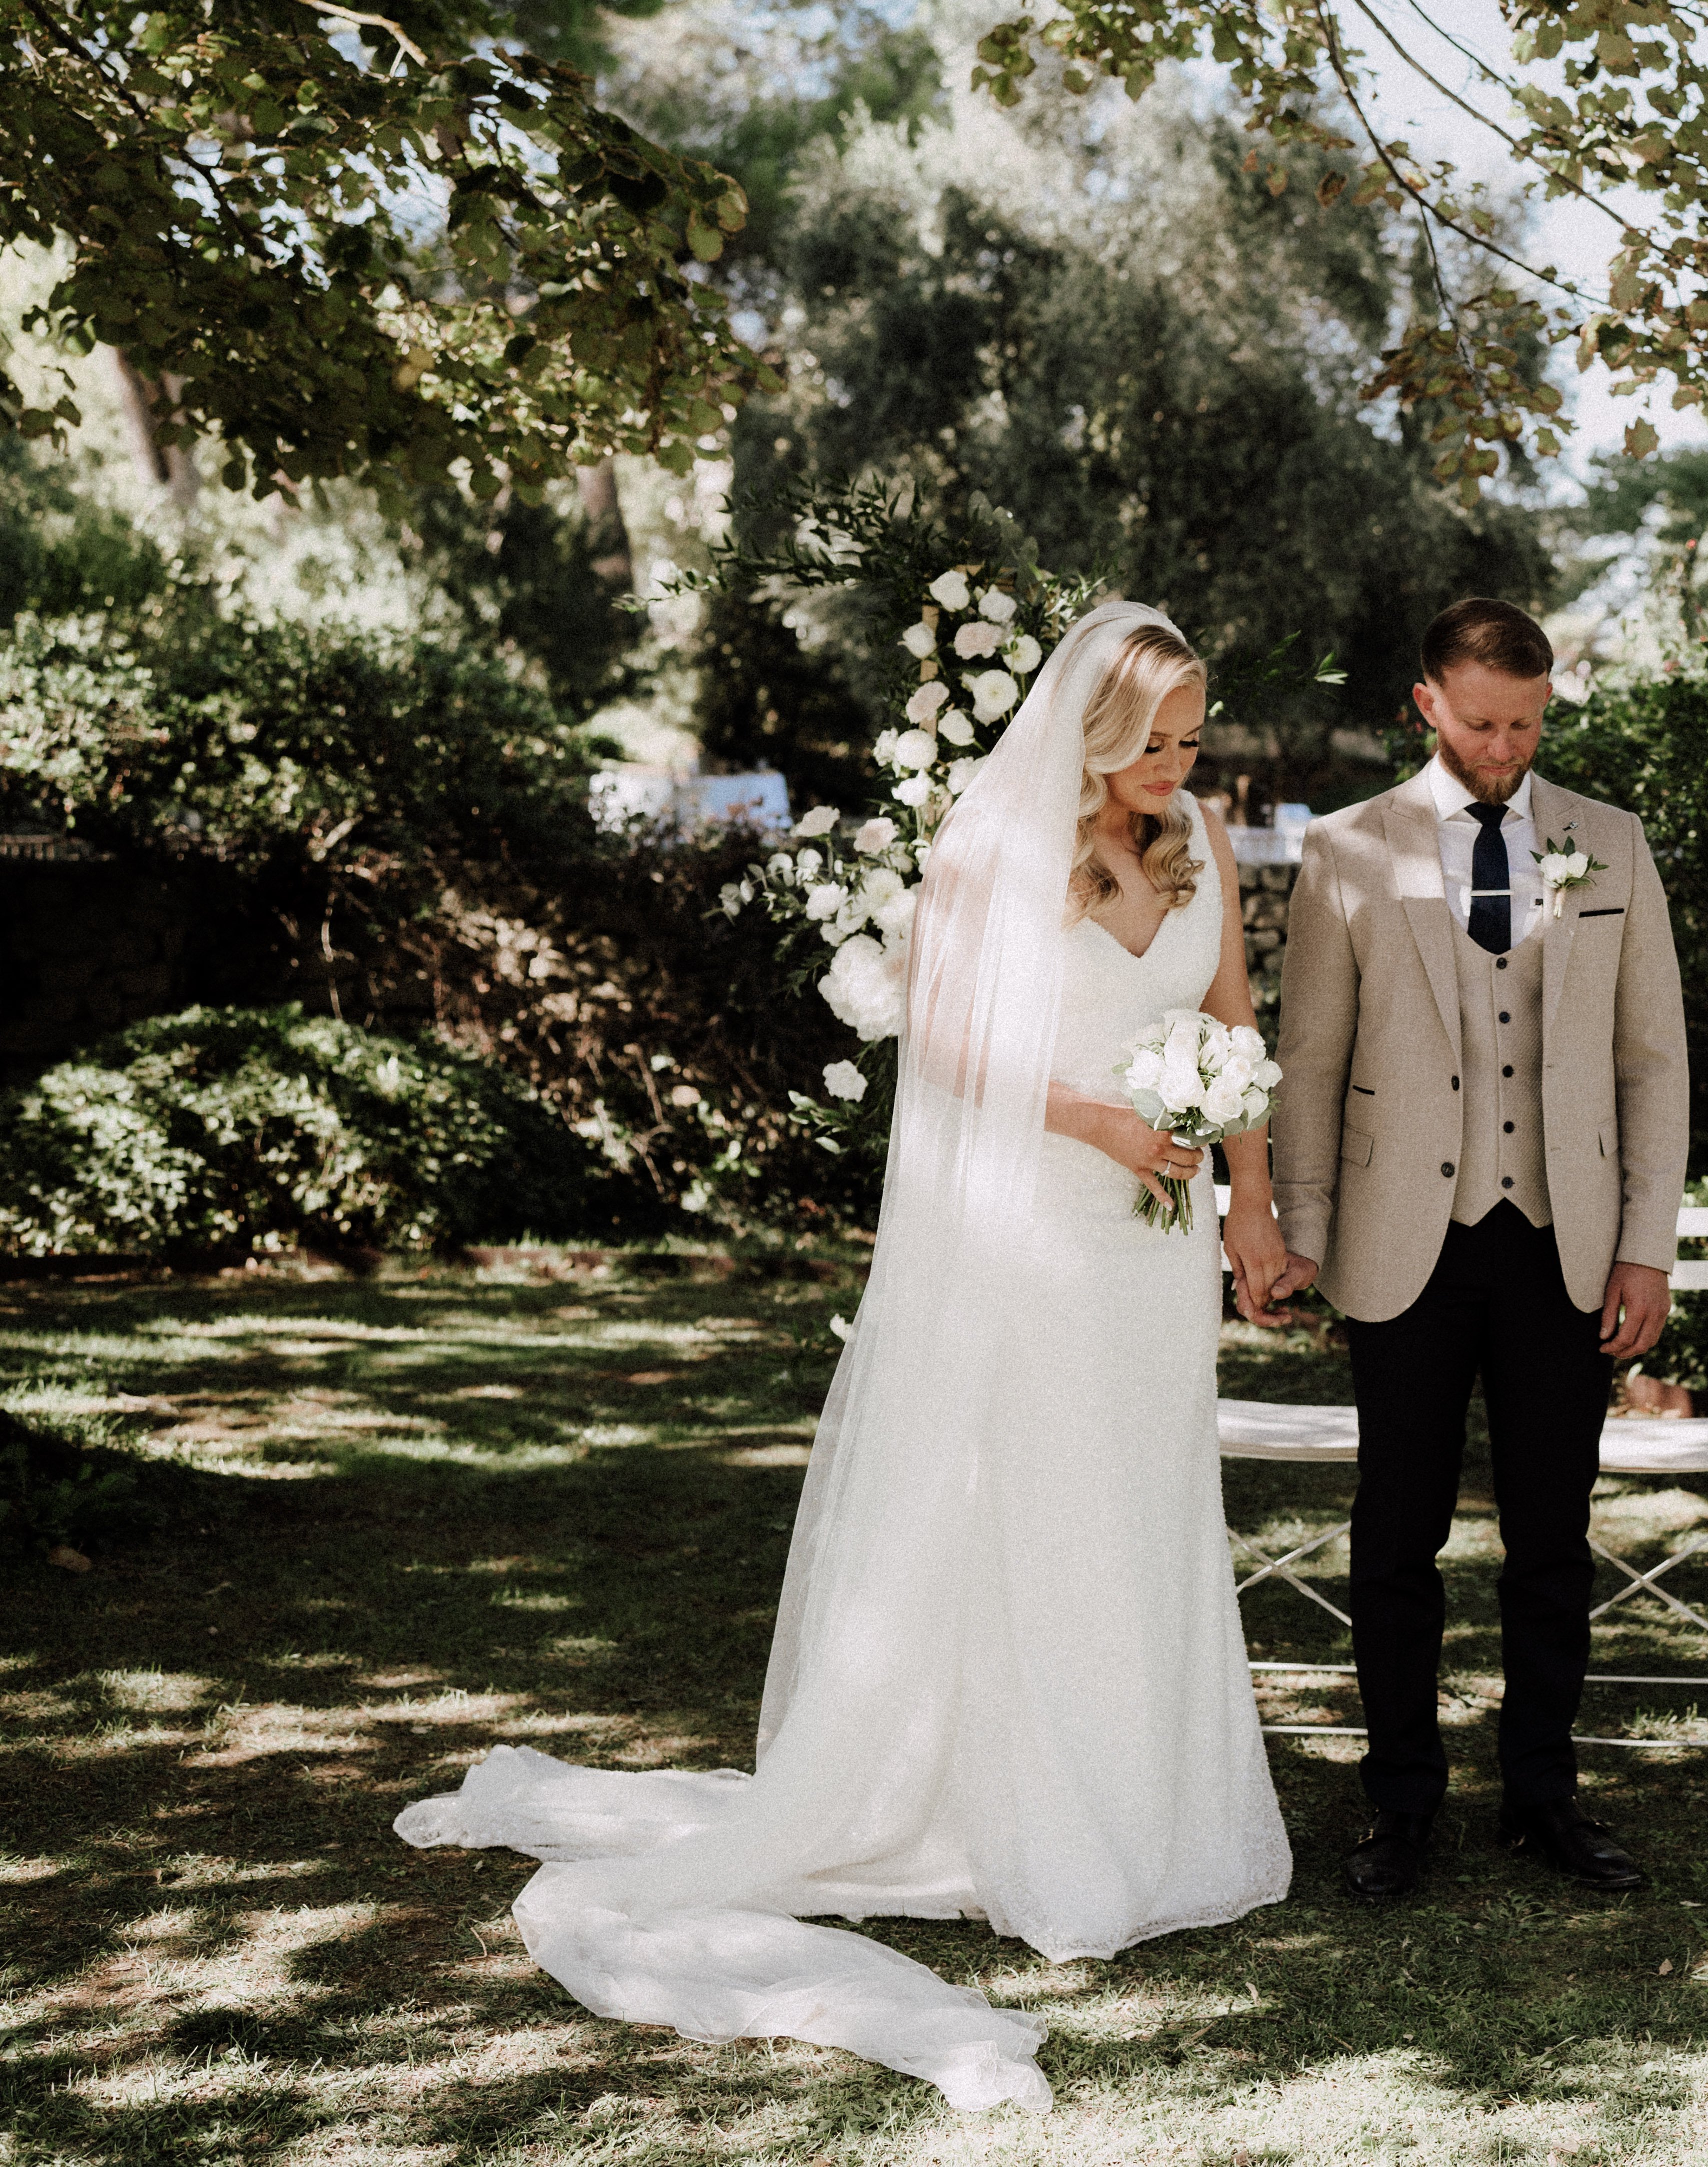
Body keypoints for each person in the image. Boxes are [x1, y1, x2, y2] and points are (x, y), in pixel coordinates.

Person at [395, 604, 1295, 2110]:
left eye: (1193, 735)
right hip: (1040, 1236)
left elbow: (1234, 1021)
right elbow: (945, 1042)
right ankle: (1026, 1815)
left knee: (1140, 1512)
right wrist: (1103, 1120)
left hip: (1155, 1252)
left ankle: (1157, 1813)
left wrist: (1245, 1200)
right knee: (1039, 1509)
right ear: (1091, 730)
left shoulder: (1196, 834)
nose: (1179, 761)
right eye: (1155, 739)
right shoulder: (995, 839)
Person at [1264, 597, 1689, 1900]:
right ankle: (1398, 1803)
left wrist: (1646, 1247)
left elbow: (1649, 1060)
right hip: (1405, 1241)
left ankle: (1541, 1793)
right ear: (1427, 705)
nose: (1505, 744)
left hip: (1561, 1239)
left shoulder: (1607, 842)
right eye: (1482, 720)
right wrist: (1300, 1231)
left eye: (1526, 720)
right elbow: (1311, 1064)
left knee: (1552, 1534)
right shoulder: (1345, 850)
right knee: (1396, 1533)